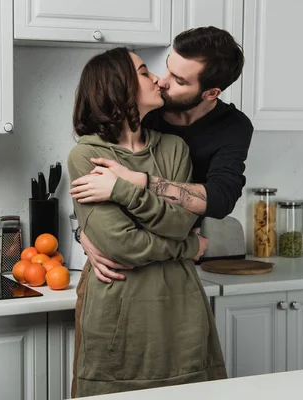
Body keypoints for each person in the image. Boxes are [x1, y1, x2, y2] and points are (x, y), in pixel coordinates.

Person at [67, 47, 227, 398]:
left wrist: (121, 189)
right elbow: (120, 245)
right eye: (144, 72)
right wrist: (188, 247)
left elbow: (180, 221)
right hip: (119, 311)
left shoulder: (174, 148)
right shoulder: (86, 154)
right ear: (117, 86)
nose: (158, 79)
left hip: (181, 307)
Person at [70, 26, 253, 283]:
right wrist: (86, 233)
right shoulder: (146, 108)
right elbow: (91, 173)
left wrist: (140, 181)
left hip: (175, 265)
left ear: (211, 93)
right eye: (168, 67)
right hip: (118, 269)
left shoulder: (231, 126)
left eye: (179, 80)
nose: (163, 80)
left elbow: (221, 198)